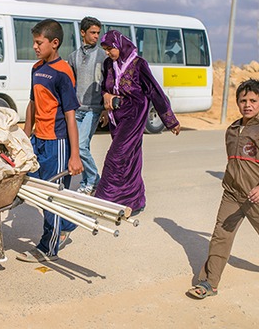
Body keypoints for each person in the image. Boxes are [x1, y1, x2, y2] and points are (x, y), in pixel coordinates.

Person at [187, 79, 259, 300]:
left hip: (256, 196)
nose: (248, 104)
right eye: (243, 100)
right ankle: (209, 282)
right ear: (237, 102)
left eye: (253, 100)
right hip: (231, 194)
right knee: (220, 237)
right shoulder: (232, 129)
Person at [17, 19, 83, 263]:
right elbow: (32, 103)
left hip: (58, 142)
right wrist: (25, 135)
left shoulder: (63, 72)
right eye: (33, 42)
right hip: (38, 139)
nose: (34, 46)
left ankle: (48, 247)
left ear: (54, 43)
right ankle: (66, 223)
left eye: (38, 42)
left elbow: (70, 116)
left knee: (50, 196)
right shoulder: (36, 68)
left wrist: (74, 155)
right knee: (29, 184)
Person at [94, 30, 181, 216]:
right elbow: (104, 87)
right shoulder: (109, 64)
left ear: (120, 45)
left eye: (110, 48)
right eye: (105, 49)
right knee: (131, 158)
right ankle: (134, 200)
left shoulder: (139, 64)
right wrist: (106, 97)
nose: (108, 52)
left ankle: (105, 200)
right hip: (115, 117)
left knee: (116, 156)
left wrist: (170, 120)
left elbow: (154, 91)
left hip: (134, 114)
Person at [67, 17, 107, 196]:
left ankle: (93, 180)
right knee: (80, 146)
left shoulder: (103, 56)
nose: (96, 36)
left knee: (81, 146)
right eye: (93, 32)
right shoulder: (73, 56)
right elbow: (70, 84)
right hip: (77, 110)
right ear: (83, 33)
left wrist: (106, 108)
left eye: (98, 33)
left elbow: (108, 82)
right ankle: (87, 181)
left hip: (93, 109)